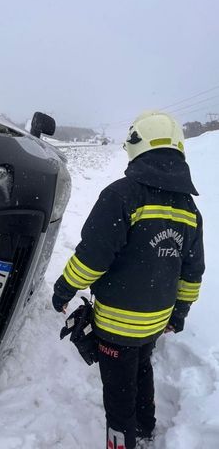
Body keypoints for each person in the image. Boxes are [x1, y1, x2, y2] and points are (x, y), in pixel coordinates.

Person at [51, 112, 204, 449]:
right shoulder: (190, 210)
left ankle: (121, 442)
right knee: (142, 368)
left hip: (117, 325)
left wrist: (64, 289)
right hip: (156, 321)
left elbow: (93, 258)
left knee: (118, 395)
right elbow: (192, 272)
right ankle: (146, 429)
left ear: (138, 146)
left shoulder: (122, 195)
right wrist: (179, 314)